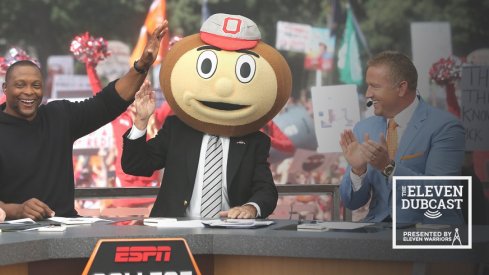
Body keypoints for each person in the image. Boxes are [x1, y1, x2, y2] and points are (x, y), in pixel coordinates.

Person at [122, 13, 292, 219]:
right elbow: (135, 165)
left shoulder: (254, 140)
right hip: (177, 232)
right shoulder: (178, 129)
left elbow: (266, 191)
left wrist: (251, 208)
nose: (223, 87)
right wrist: (140, 124)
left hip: (228, 233)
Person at [0, 21, 169, 220]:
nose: (29, 91)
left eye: (36, 85)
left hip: (65, 230)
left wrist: (142, 65)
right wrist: (16, 210)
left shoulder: (59, 116)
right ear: (5, 88)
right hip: (14, 237)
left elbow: (108, 103)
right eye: (20, 85)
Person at [339, 51, 465, 224]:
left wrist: (388, 167)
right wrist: (357, 171)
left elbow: (441, 194)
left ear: (402, 88)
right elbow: (351, 202)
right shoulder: (364, 128)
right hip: (378, 234)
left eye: (375, 86)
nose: (368, 93)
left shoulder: (445, 126)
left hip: (428, 234)